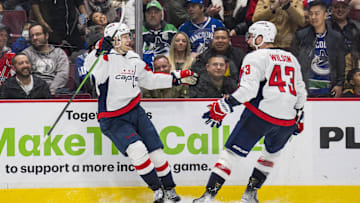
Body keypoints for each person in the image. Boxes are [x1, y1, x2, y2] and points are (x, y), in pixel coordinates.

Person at [193, 21, 307, 203]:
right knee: (270, 155)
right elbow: (301, 92)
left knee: (230, 154)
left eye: (252, 36)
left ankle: (209, 196)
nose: (250, 40)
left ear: (261, 38)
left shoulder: (254, 57)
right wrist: (299, 115)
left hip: (261, 115)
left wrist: (225, 104)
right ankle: (250, 195)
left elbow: (248, 91)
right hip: (287, 121)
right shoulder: (291, 58)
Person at [83, 22, 198, 203]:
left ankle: (170, 189)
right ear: (114, 40)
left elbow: (150, 80)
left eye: (130, 35)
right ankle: (157, 190)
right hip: (113, 118)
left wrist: (175, 79)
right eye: (126, 36)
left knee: (156, 153)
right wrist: (99, 49)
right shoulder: (104, 60)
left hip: (135, 111)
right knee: (138, 151)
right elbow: (89, 67)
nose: (130, 39)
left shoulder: (133, 58)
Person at [290, 0, 345, 98]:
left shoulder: (336, 37)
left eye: (317, 14)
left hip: (329, 89)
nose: (313, 17)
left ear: (325, 15)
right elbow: (293, 61)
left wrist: (339, 84)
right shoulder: (300, 35)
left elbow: (340, 62)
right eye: (311, 14)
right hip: (306, 89)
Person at [23, 23, 70, 96]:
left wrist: (50, 91)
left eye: (38, 34)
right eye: (32, 36)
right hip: (33, 93)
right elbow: (24, 76)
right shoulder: (26, 54)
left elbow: (63, 75)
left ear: (46, 36)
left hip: (55, 92)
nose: (35, 38)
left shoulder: (59, 53)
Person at [142, 0, 177, 70]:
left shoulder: (171, 29)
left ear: (161, 14)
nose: (152, 15)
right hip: (147, 68)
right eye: (149, 13)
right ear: (145, 15)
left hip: (169, 66)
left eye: (156, 12)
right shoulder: (141, 30)